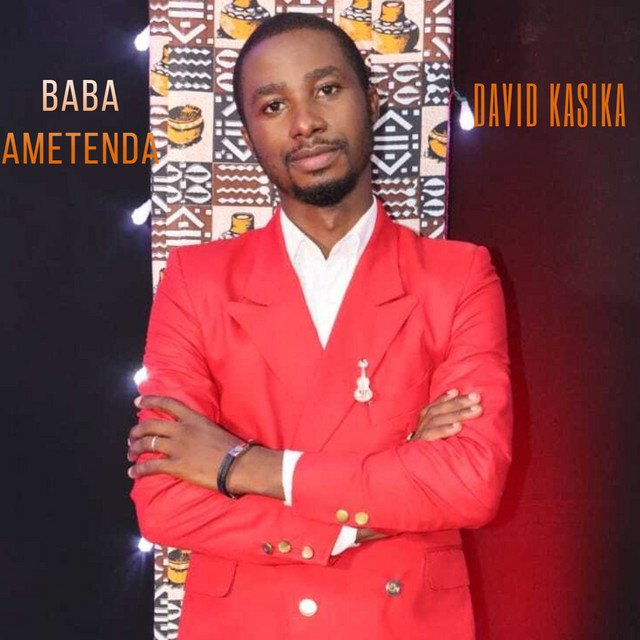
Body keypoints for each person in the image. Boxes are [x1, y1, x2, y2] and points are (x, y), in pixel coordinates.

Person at [127, 13, 512, 640]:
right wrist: (369, 508)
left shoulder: (457, 276)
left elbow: (468, 482)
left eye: (327, 89)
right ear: (249, 133)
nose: (304, 123)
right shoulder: (196, 281)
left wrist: (244, 466)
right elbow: (164, 501)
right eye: (274, 105)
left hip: (404, 622)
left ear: (371, 100)